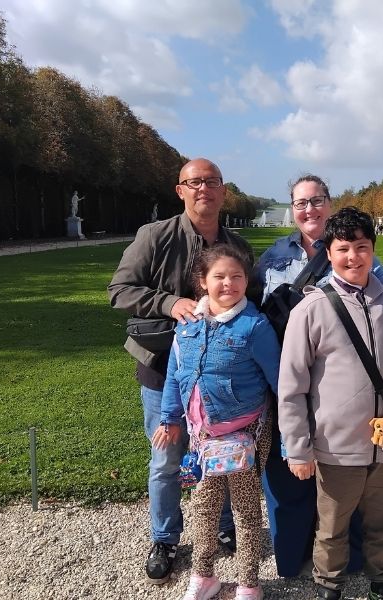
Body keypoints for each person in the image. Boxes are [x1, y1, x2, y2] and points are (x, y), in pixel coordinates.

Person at [254, 175, 383, 578]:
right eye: (300, 203)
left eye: (316, 200)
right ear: (292, 209)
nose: (308, 209)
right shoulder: (273, 257)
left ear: (328, 203)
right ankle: (296, 560)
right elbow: (248, 309)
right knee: (295, 482)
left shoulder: (366, 256)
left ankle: (356, 563)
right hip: (289, 378)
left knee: (353, 490)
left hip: (351, 395)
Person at [108, 158, 254, 584]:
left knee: (225, 454)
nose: (203, 188)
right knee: (166, 457)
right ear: (180, 190)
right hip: (162, 368)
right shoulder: (154, 236)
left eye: (212, 182)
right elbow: (120, 290)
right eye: (195, 182)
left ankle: (225, 526)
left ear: (223, 191)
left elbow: (255, 298)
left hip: (221, 375)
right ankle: (165, 537)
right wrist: (170, 304)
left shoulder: (237, 245)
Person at [153, 244, 279, 600]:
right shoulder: (187, 326)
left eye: (237, 276)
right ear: (202, 282)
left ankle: (249, 583)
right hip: (202, 438)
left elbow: (279, 379)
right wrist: (169, 418)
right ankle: (203, 574)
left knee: (245, 511)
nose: (229, 284)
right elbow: (176, 377)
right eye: (219, 277)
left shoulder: (254, 327)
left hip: (246, 436)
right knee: (204, 509)